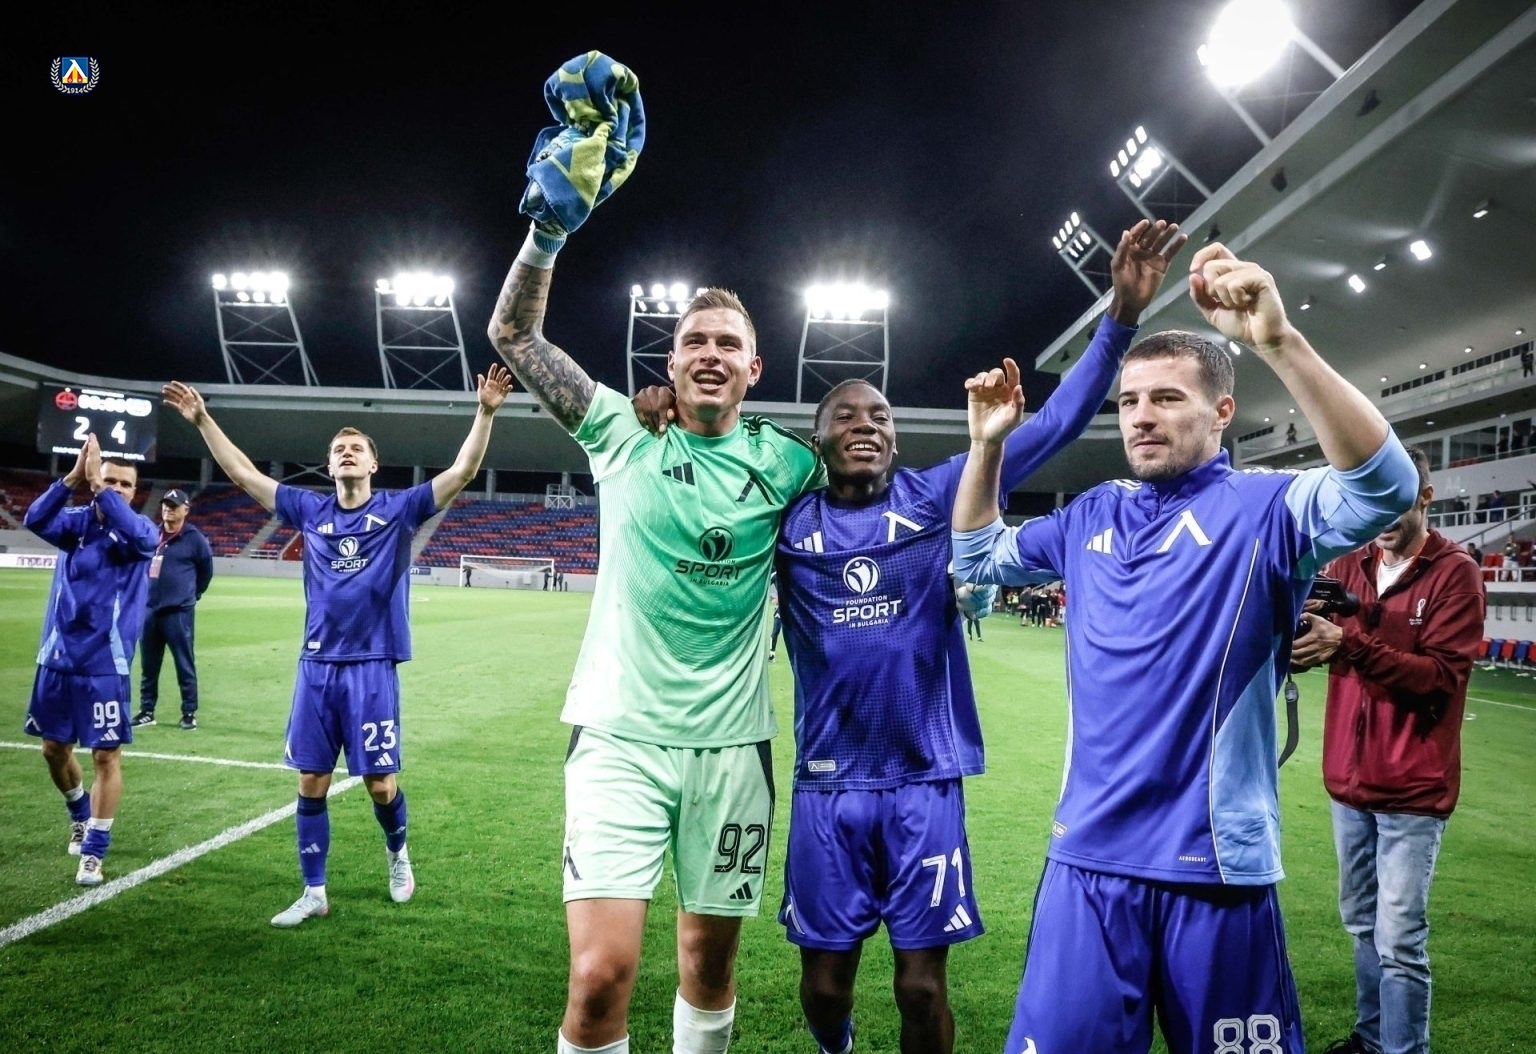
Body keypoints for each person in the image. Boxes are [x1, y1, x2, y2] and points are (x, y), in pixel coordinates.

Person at [951, 242, 1419, 1054]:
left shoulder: (1268, 509)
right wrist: (989, 445)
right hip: (1087, 861)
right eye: (1130, 401)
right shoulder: (1093, 513)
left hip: (1215, 869)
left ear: (1222, 412)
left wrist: (1280, 343)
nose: (1140, 416)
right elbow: (976, 559)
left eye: (1167, 398)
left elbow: (1386, 487)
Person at [730, 218, 1181, 1054]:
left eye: (879, 415)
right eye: (845, 416)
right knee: (823, 990)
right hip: (827, 785)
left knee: (920, 986)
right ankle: (837, 1044)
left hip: (924, 783)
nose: (865, 424)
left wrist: (1121, 315)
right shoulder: (786, 524)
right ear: (817, 441)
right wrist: (660, 415)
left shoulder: (936, 497)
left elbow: (1057, 423)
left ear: (896, 438)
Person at [488, 188, 821, 1054]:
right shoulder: (622, 430)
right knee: (600, 975)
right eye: (694, 342)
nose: (710, 354)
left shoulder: (792, 463)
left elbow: (875, 499)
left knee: (708, 967)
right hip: (618, 739)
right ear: (669, 364)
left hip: (732, 749)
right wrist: (546, 231)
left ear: (756, 367)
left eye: (728, 344)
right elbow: (513, 337)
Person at [161, 365, 513, 927]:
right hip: (317, 665)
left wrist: (485, 412)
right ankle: (314, 891)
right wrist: (203, 420)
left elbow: (463, 472)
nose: (346, 453)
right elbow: (244, 475)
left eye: (356, 449)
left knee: (379, 784)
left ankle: (398, 853)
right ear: (329, 466)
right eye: (338, 450)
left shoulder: (398, 509)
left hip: (371, 665)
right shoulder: (309, 509)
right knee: (311, 780)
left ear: (373, 464)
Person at [1291, 446, 1485, 1054]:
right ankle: (1373, 1039)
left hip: (1412, 789)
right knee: (1360, 925)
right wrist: (1302, 635)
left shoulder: (1456, 573)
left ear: (1425, 496)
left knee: (1398, 940)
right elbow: (1326, 642)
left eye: (1395, 503)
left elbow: (1440, 679)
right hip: (1347, 784)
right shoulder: (1347, 563)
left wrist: (1345, 643)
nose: (1382, 519)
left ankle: (1402, 1050)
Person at [23, 436, 158, 885]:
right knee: (52, 750)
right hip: (57, 657)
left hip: (105, 664)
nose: (116, 487)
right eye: (110, 479)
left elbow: (138, 534)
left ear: (134, 493)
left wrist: (98, 485)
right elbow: (35, 518)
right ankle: (79, 812)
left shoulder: (140, 532)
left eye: (124, 484)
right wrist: (71, 478)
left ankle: (94, 851)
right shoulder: (75, 524)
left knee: (105, 755)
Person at [131, 488, 214, 730]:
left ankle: (189, 713)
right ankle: (147, 711)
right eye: (166, 504)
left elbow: (206, 572)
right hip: (149, 611)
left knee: (184, 664)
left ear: (185, 510)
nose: (168, 508)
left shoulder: (194, 539)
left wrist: (192, 595)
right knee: (149, 665)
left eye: (174, 505)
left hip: (178, 612)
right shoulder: (152, 535)